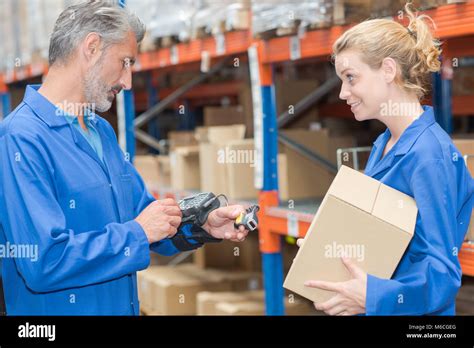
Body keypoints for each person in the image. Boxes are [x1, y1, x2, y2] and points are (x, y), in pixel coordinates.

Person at [0, 1, 250, 315]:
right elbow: (44, 261)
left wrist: (200, 224)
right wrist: (138, 232)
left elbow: (143, 214)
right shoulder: (21, 138)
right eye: (124, 62)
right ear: (91, 47)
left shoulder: (100, 131)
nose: (127, 82)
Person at [298, 3, 473, 315]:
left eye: (351, 77)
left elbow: (442, 275)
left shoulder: (429, 156)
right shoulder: (383, 144)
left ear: (389, 70)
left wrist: (374, 296)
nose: (342, 92)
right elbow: (377, 235)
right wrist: (328, 251)